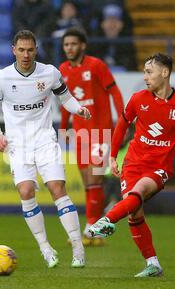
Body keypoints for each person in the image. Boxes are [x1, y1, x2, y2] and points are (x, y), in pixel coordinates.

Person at [89, 53, 175, 277]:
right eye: (144, 72)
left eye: (149, 72)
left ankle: (106, 220)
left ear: (165, 73)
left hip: (159, 167)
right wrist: (113, 156)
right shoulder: (137, 99)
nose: (145, 77)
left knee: (138, 191)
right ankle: (153, 264)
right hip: (132, 163)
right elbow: (122, 125)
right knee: (134, 213)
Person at [0, 30, 91, 268]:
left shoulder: (50, 73)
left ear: (36, 50)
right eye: (21, 50)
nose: (25, 54)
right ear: (13, 50)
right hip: (17, 144)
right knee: (25, 192)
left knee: (57, 188)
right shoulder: (1, 78)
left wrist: (79, 109)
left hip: (44, 139)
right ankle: (45, 248)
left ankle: (77, 247)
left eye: (30, 50)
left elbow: (66, 98)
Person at [59, 27, 124, 246]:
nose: (69, 48)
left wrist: (121, 123)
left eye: (73, 44)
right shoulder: (63, 70)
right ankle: (93, 230)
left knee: (95, 179)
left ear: (82, 46)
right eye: (66, 44)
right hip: (80, 134)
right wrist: (64, 127)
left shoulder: (96, 65)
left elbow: (115, 93)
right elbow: (67, 102)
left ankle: (90, 230)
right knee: (88, 182)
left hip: (100, 131)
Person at [88, 3, 136, 71]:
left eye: (115, 21)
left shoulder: (127, 43)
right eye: (108, 21)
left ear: (121, 25)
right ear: (102, 24)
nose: (112, 24)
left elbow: (132, 66)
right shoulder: (94, 43)